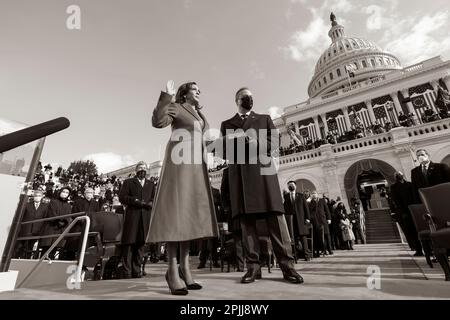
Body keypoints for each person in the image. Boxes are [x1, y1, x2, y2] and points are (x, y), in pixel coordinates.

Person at [219, 87, 303, 284]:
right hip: (241, 176)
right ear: (237, 100)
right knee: (247, 225)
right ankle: (253, 268)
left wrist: (253, 140)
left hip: (264, 174)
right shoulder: (227, 124)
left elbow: (274, 142)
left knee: (276, 222)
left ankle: (287, 267)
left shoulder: (264, 119)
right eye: (245, 96)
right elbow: (225, 150)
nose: (249, 99)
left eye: (251, 96)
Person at [147, 81, 219, 295]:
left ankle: (185, 268)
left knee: (188, 216)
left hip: (197, 167)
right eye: (195, 89)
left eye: (200, 89)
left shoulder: (200, 116)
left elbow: (202, 140)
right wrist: (167, 97)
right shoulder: (177, 107)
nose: (199, 92)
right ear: (185, 94)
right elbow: (158, 122)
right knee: (176, 215)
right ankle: (171, 269)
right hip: (179, 165)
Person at [390, 171, 423, 256]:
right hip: (404, 212)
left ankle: (427, 249)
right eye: (397, 175)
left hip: (414, 209)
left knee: (419, 229)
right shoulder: (393, 187)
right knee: (410, 231)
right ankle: (417, 249)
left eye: (400, 174)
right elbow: (396, 201)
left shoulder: (410, 184)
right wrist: (402, 212)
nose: (398, 176)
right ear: (395, 177)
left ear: (402, 175)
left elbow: (416, 196)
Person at [40, 186, 72, 259]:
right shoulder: (53, 201)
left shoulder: (68, 205)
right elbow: (51, 212)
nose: (65, 194)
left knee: (55, 247)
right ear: (60, 192)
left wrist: (64, 222)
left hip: (60, 229)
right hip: (51, 227)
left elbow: (68, 215)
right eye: (63, 192)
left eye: (67, 193)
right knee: (46, 247)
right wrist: (57, 221)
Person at [283, 181, 312, 261]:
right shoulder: (286, 196)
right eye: (289, 185)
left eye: (292, 185)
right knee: (294, 237)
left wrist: (308, 218)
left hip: (301, 219)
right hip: (291, 221)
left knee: (303, 237)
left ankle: (307, 255)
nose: (290, 186)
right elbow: (285, 208)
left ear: (295, 186)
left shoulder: (301, 195)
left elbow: (305, 208)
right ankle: (296, 255)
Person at [16, 189, 48, 259]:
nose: (37, 197)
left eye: (39, 196)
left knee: (31, 248)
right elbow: (22, 217)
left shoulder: (45, 206)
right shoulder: (27, 205)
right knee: (21, 247)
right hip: (25, 230)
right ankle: (18, 259)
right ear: (33, 196)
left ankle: (27, 260)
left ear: (42, 197)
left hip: (36, 231)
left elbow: (45, 219)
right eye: (36, 195)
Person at [308, 191, 332, 257]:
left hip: (323, 219)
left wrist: (329, 218)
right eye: (312, 194)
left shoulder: (322, 200)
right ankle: (323, 250)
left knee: (327, 235)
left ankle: (330, 249)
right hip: (316, 221)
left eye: (314, 193)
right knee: (319, 236)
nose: (314, 195)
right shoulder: (310, 202)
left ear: (317, 194)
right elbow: (310, 212)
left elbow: (327, 210)